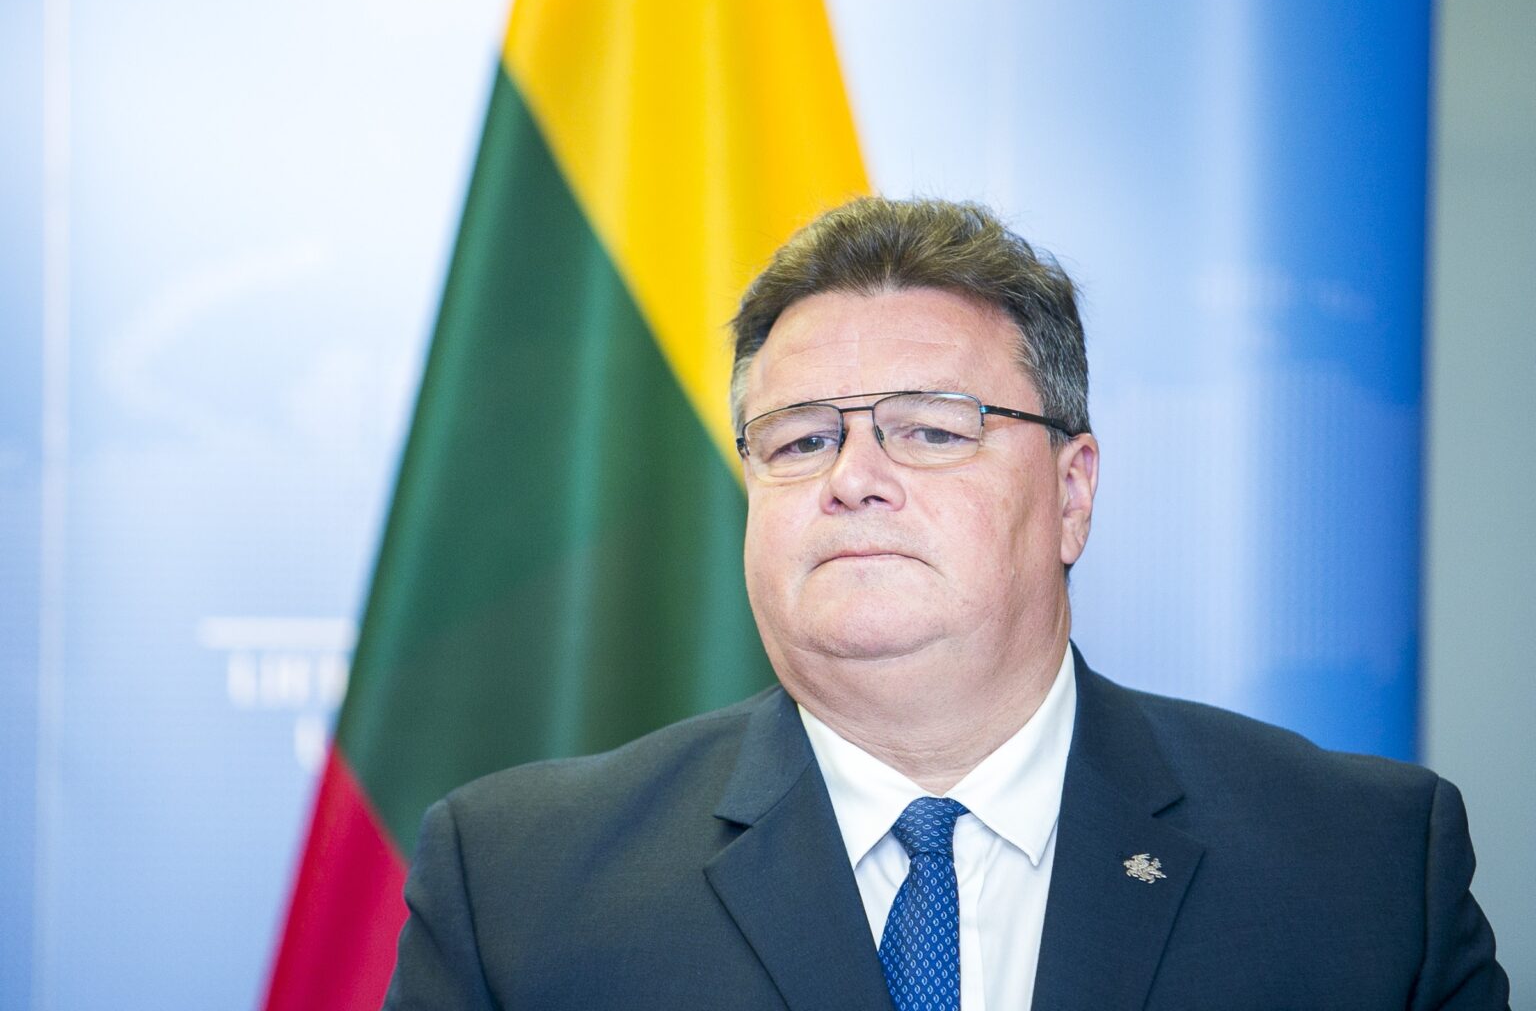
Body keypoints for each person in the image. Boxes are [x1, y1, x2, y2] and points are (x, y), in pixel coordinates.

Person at [383, 197, 1508, 1009]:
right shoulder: (517, 882)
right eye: (800, 439)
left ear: (1071, 495)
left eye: (928, 428)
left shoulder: (1361, 868)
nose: (852, 477)